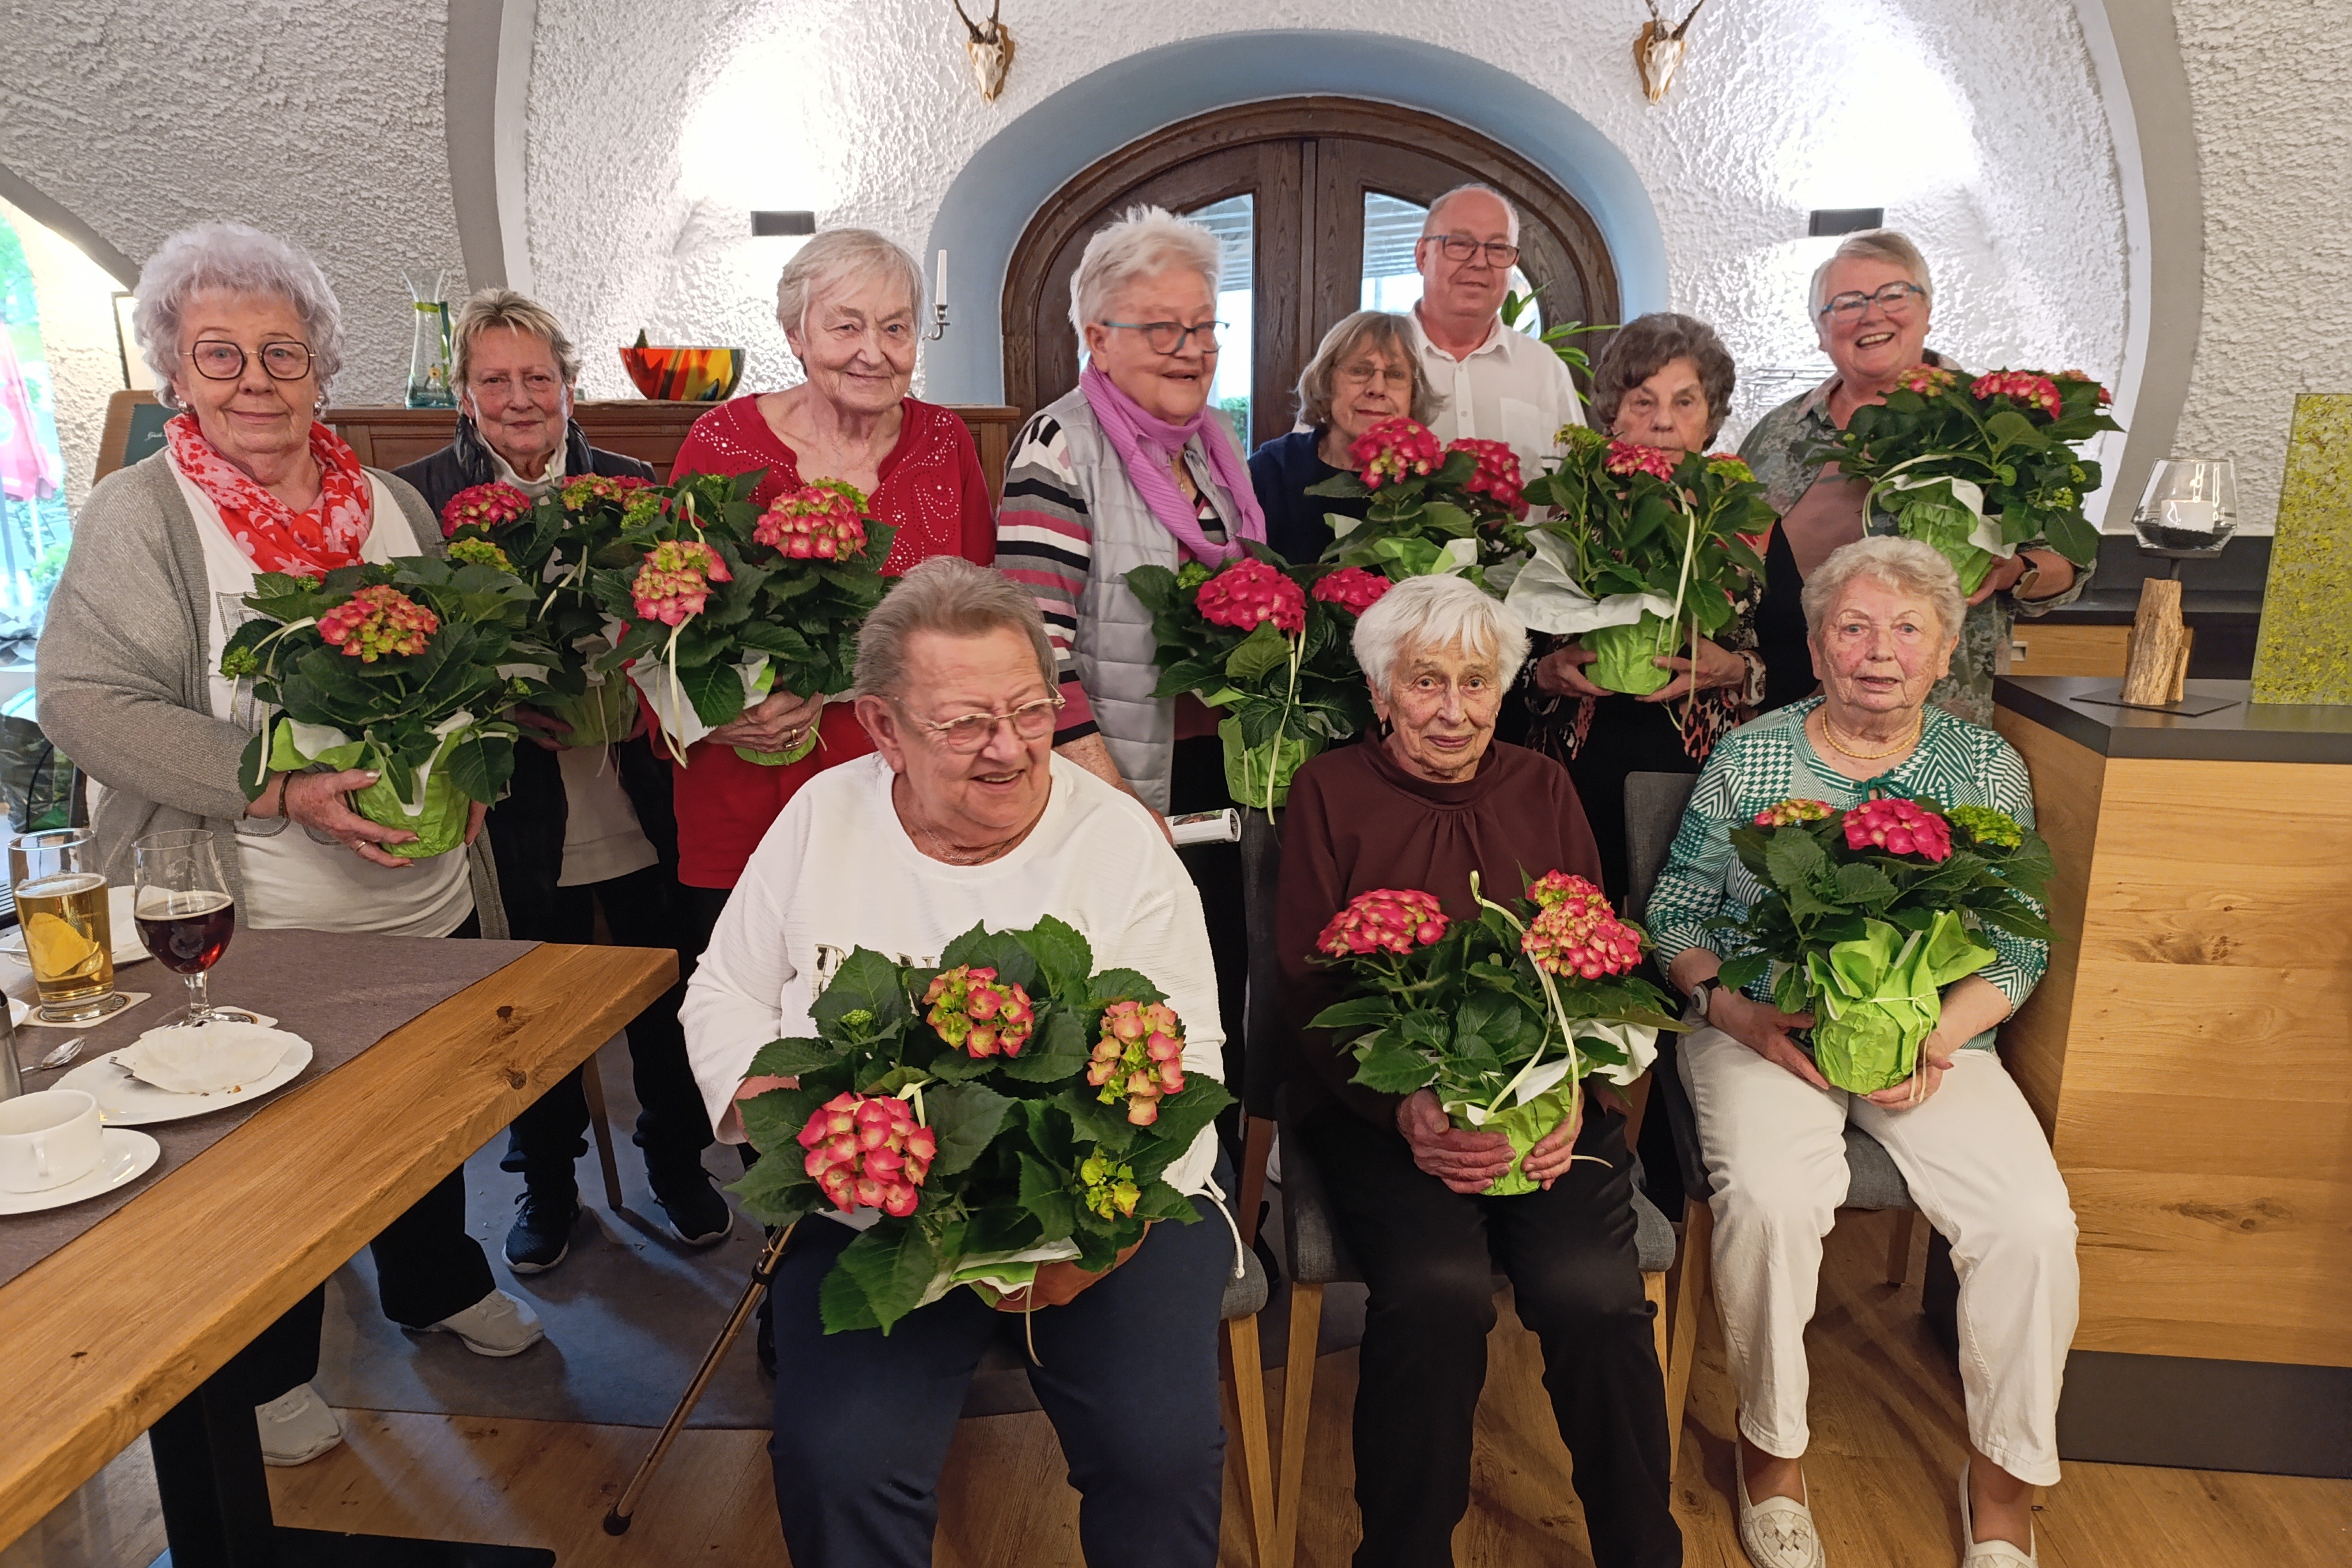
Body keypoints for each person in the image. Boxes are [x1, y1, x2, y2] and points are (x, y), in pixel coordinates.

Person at [35, 223, 544, 1468]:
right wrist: (275, 781)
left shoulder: (395, 505)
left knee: (416, 1108)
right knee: (262, 1138)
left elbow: (454, 664)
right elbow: (83, 699)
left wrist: (467, 766)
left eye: (281, 351)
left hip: (417, 885)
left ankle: (433, 1279)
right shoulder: (140, 515)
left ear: (321, 367)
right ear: (175, 373)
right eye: (221, 354)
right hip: (249, 898)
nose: (254, 379)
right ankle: (262, 1359)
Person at [680, 558, 1237, 1568]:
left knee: (1159, 1452)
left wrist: (1095, 1244)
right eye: (965, 723)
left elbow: (1189, 1056)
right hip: (875, 1213)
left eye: (1029, 711)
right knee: (839, 1458)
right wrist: (762, 1101)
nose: (1011, 749)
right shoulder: (819, 815)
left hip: (1110, 1206)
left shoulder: (1118, 840)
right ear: (882, 728)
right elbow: (724, 990)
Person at [1646, 537, 2078, 1568]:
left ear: (1945, 650)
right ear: (1816, 643)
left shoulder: (1982, 765)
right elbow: (1676, 909)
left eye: (1907, 630)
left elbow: (2018, 939)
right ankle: (1773, 1455)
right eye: (1853, 626)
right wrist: (1736, 1014)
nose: (1878, 652)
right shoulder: (1753, 753)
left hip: (1931, 1034)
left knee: (2032, 1222)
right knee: (1775, 1197)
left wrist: (1934, 1032)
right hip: (1770, 1024)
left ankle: (2007, 1477)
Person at [1275, 575, 1680, 1568]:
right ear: (1381, 693)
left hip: (1544, 1100)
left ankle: (1644, 1549)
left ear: (1502, 691)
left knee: (1593, 1290)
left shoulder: (1544, 789)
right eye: (1425, 682)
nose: (1452, 709)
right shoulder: (1329, 791)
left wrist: (1574, 1098)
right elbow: (1303, 986)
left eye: (1475, 681)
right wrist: (1406, 1106)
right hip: (1380, 1105)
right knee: (1440, 1289)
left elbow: (1595, 957)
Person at [394, 289, 725, 1268]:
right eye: (493, 380)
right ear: (462, 393)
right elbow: (416, 657)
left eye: (538, 376)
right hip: (515, 802)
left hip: (635, 788)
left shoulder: (631, 483)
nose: (519, 398)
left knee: (666, 991)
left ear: (571, 387)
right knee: (529, 1007)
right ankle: (546, 1182)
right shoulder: (418, 499)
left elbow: (690, 623)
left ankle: (678, 1165)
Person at [997, 204, 1265, 1080]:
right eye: (1163, 328)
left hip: (1210, 773)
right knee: (1126, 1004)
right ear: (1098, 337)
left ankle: (1210, 1181)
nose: (1191, 347)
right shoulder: (1058, 445)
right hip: (1113, 774)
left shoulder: (1214, 450)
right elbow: (1034, 651)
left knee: (1210, 983)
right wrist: (1113, 800)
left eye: (1203, 326)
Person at [664, 227, 996, 929]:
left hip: (909, 786)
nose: (873, 351)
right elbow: (660, 614)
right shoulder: (720, 443)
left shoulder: (945, 442)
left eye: (896, 327)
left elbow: (979, 613)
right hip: (753, 779)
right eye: (846, 325)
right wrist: (712, 718)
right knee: (752, 1013)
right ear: (796, 333)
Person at [1739, 230, 2088, 724]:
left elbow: (2069, 562)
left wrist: (2012, 572)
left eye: (1893, 295)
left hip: (1933, 718)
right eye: (1847, 303)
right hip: (1784, 714)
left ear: (1927, 310)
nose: (1872, 315)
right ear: (1820, 331)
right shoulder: (1778, 432)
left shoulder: (1996, 421)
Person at [1519, 312, 1766, 902]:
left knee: (1689, 928)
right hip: (1574, 773)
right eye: (1642, 400)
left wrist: (1737, 670)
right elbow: (1515, 652)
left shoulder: (1750, 524)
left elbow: (1799, 657)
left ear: (1711, 418)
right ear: (1612, 411)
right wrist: (1543, 676)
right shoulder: (1570, 511)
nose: (1662, 422)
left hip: (1705, 776)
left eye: (1685, 402)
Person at [1403, 183, 1585, 475]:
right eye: (1460, 244)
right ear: (1423, 255)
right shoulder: (1373, 358)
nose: (1479, 262)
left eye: (1498, 248)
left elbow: (1578, 486)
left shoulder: (1543, 368)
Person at [1246, 308, 1442, 563]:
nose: (1377, 389)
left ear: (1413, 395)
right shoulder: (1272, 470)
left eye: (1396, 375)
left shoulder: (1434, 484)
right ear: (1327, 381)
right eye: (1360, 371)